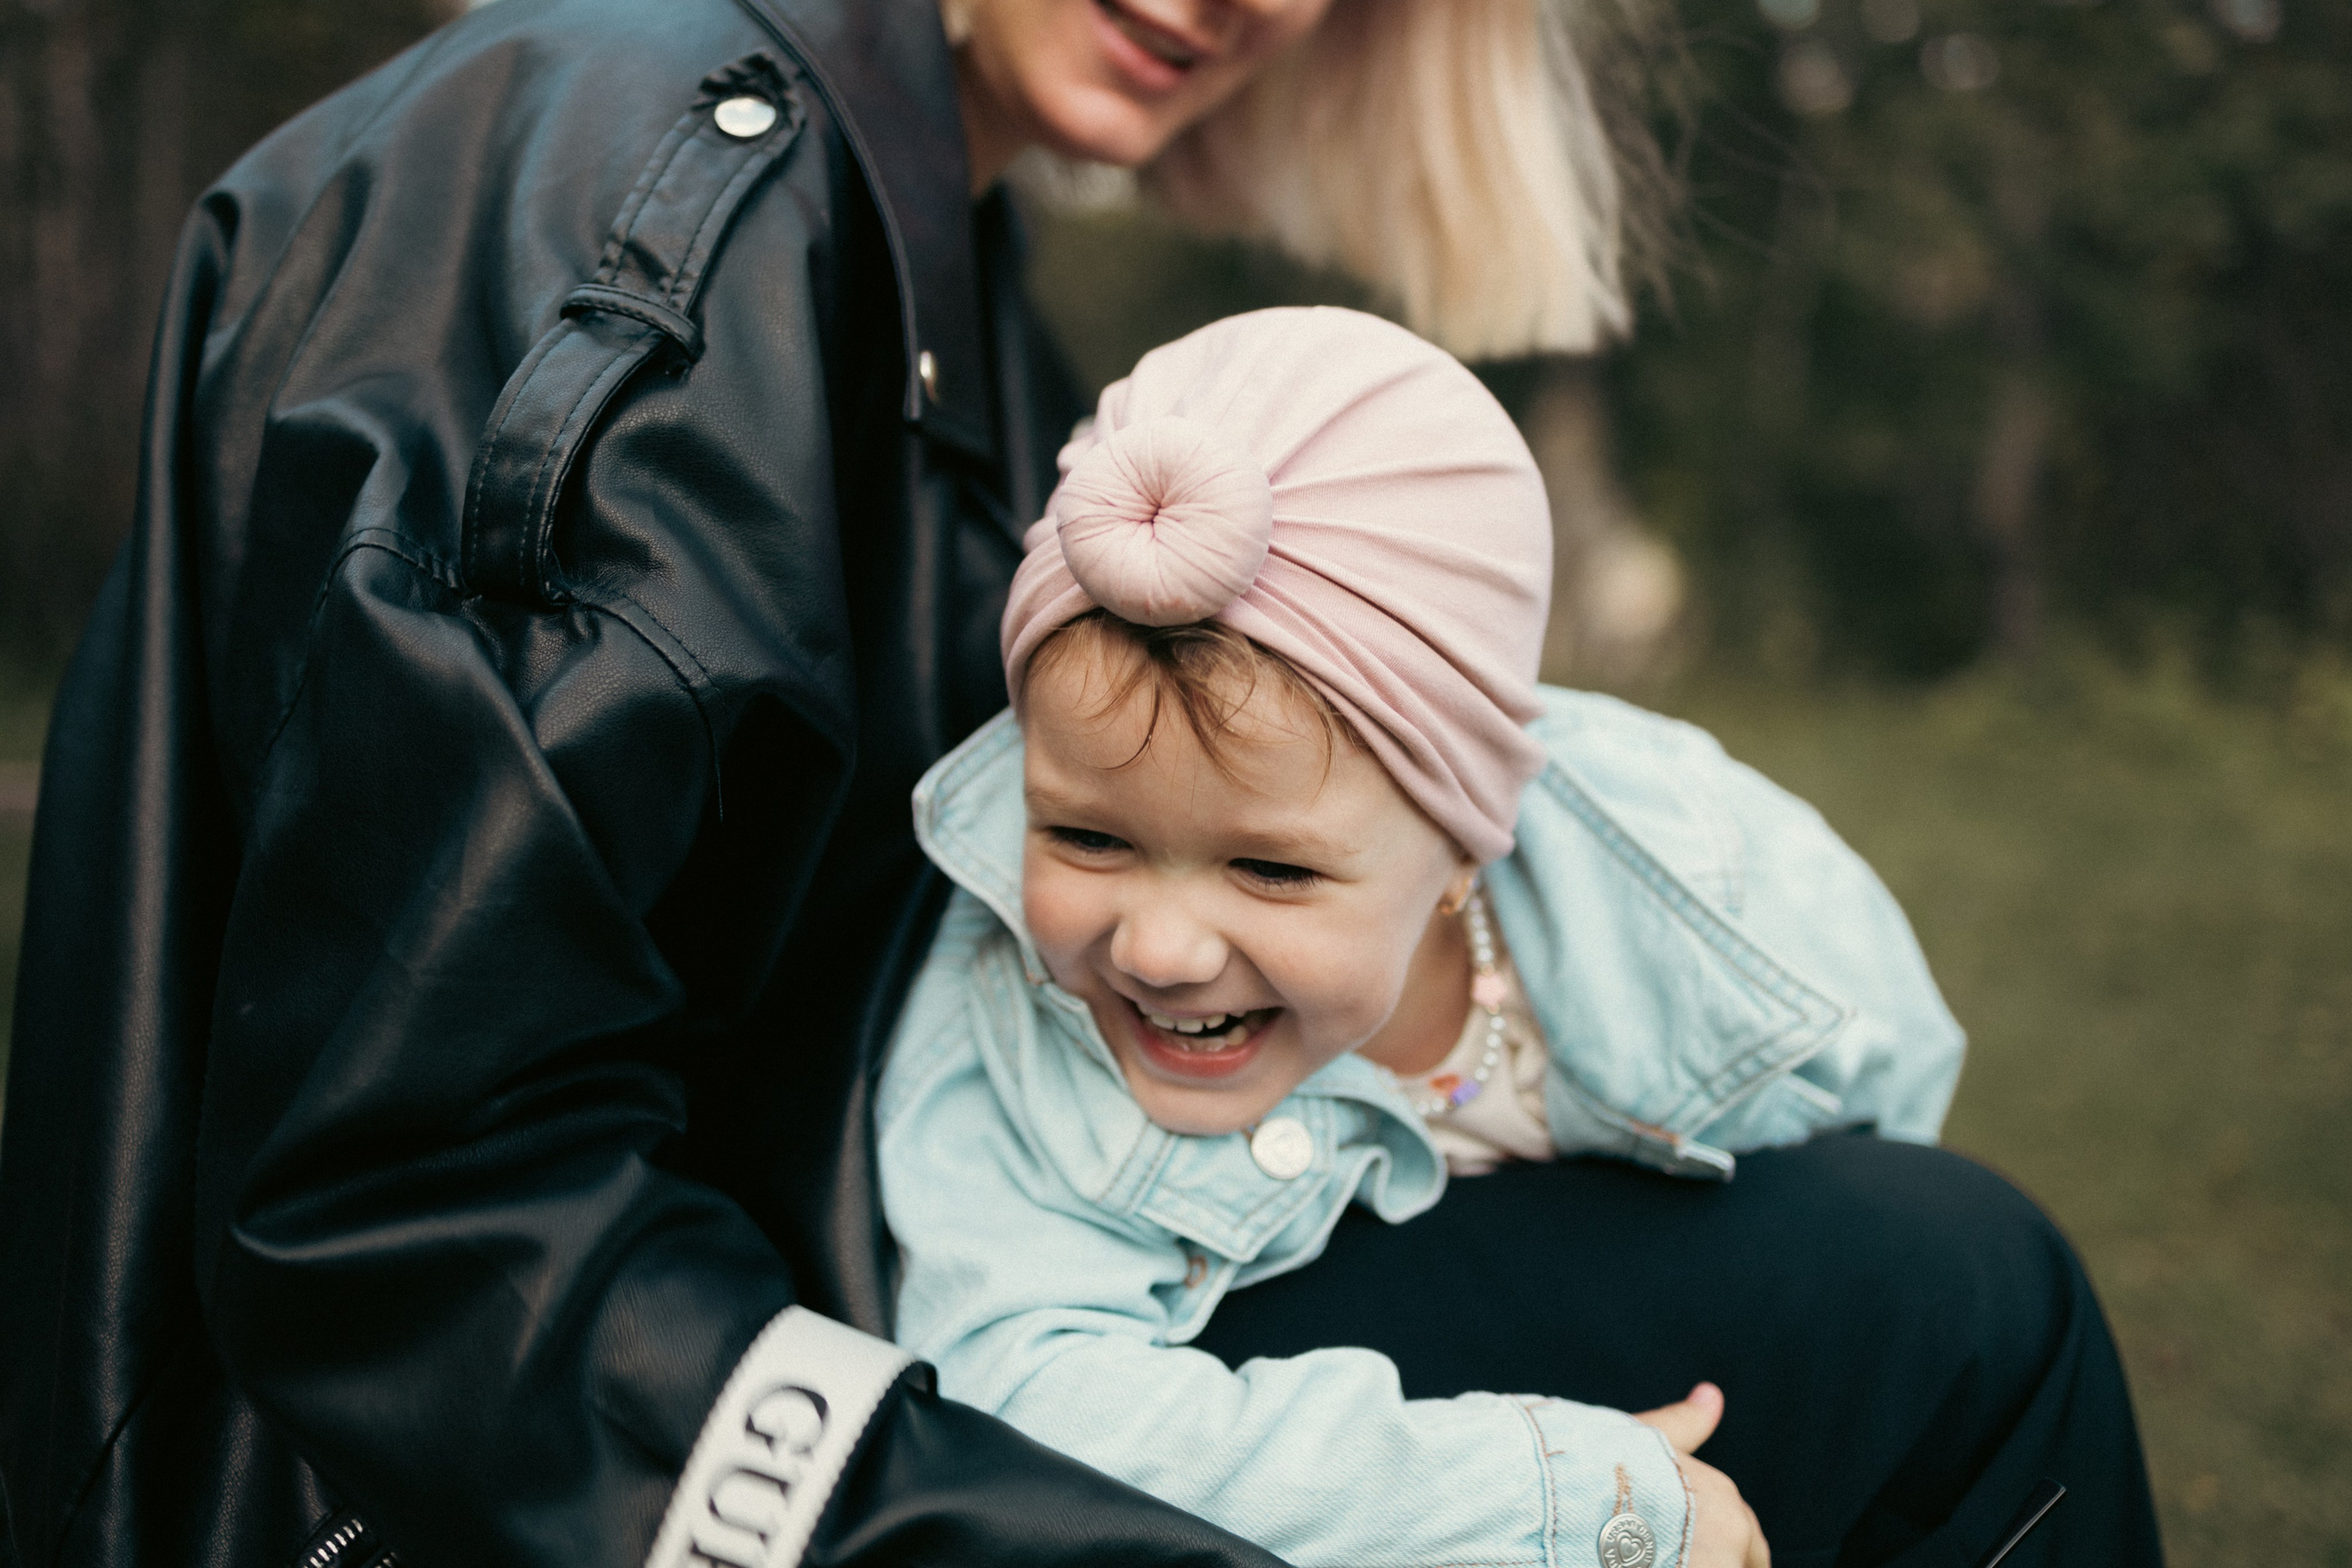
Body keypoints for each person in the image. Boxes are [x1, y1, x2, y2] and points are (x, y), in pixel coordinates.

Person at [0, 3, 2157, 1568]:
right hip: (473, 1486)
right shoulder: (641, 195)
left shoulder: (942, 264)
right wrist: (1045, 1518)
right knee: (1950, 1301)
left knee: (1912, 1256)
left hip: (904, 1282)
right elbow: (421, 1233)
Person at [877, 306, 2165, 1567]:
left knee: (1972, 1277)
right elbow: (1013, 1401)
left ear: (1464, 844)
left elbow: (1880, 1110)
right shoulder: (1009, 1002)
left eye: (1269, 868)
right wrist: (1534, 1498)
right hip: (1249, 1403)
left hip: (1566, 1290)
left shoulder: (1692, 864)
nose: (1156, 949)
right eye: (1087, 839)